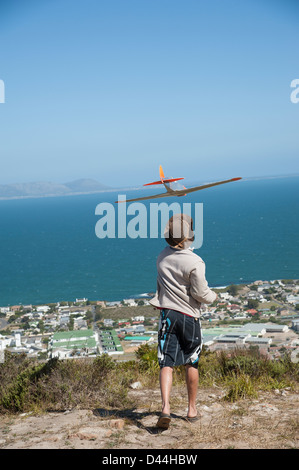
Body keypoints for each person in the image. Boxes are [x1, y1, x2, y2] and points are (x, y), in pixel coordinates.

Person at [149, 213, 217, 429]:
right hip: (189, 316)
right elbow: (200, 293)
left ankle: (166, 408)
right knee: (191, 360)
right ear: (189, 236)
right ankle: (191, 409)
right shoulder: (195, 261)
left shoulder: (161, 257)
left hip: (167, 315)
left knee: (166, 363)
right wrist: (215, 297)